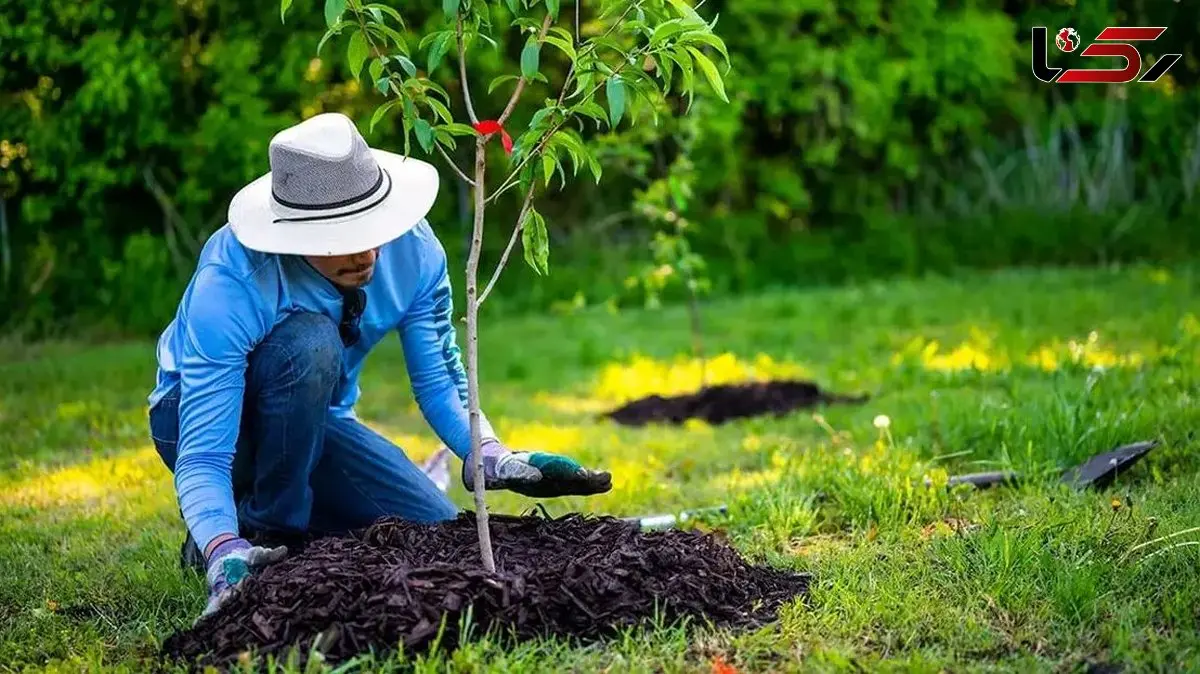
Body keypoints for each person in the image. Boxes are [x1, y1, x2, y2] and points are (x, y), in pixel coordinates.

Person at [146, 112, 611, 619]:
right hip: (197, 421)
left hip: (314, 423)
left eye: (372, 227)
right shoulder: (234, 281)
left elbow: (439, 378)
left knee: (432, 525)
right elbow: (204, 454)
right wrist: (221, 548)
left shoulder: (414, 252)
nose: (366, 251)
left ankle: (265, 521)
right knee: (310, 342)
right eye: (339, 236)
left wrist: (490, 454)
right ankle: (253, 535)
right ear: (294, 234)